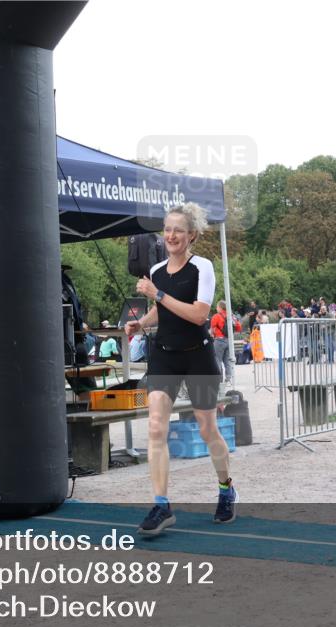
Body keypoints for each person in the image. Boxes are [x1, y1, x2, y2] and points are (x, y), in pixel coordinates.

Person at [123, 203, 235, 537]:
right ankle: (161, 504)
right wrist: (140, 322)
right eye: (167, 229)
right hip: (165, 356)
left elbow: (199, 314)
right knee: (156, 427)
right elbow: (162, 312)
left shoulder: (203, 268)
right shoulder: (157, 270)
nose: (171, 236)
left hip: (198, 356)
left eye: (178, 231)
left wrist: (157, 294)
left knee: (207, 431)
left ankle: (226, 488)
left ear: (192, 236)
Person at [210, 300, 242, 385]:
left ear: (220, 308)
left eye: (217, 307)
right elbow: (239, 327)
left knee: (217, 360)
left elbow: (212, 329)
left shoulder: (216, 316)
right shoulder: (232, 316)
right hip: (229, 340)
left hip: (219, 340)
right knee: (227, 361)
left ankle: (219, 381)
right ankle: (228, 379)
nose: (216, 308)